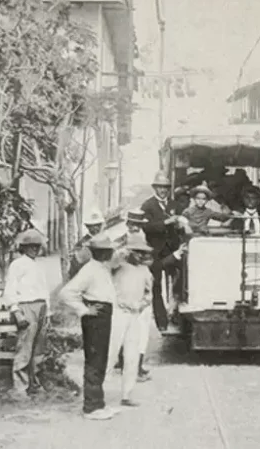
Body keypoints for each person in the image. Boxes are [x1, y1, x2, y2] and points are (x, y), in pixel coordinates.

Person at [56, 234, 119, 420]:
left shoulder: (101, 268)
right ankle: (91, 407)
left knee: (100, 359)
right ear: (99, 253)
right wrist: (84, 310)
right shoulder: (89, 270)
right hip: (95, 317)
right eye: (106, 251)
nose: (110, 253)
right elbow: (66, 292)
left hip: (103, 314)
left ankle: (98, 403)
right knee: (94, 359)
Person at [107, 233, 154, 407]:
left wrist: (141, 304)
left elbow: (149, 294)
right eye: (137, 252)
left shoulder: (144, 271)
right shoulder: (118, 266)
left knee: (132, 355)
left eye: (143, 252)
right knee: (111, 352)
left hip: (134, 314)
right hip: (117, 312)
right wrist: (120, 253)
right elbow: (109, 265)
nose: (140, 255)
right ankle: (100, 392)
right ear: (130, 251)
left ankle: (127, 394)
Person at [4, 228, 51, 396]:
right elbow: (10, 290)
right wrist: (16, 311)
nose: (34, 249)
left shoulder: (38, 266)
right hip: (26, 307)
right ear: (23, 247)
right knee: (25, 347)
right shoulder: (17, 265)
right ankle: (20, 388)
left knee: (38, 350)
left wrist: (47, 313)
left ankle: (35, 384)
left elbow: (44, 291)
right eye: (30, 246)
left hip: (40, 308)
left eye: (37, 246)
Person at [142, 171, 186, 331]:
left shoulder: (175, 205)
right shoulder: (147, 206)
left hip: (173, 251)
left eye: (166, 187)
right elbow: (146, 227)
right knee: (157, 286)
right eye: (160, 187)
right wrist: (166, 222)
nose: (163, 190)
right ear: (155, 188)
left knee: (178, 282)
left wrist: (180, 226)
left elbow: (183, 224)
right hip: (156, 252)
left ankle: (175, 315)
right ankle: (162, 322)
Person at [68, 213, 108, 279]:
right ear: (88, 227)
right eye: (93, 225)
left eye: (98, 225)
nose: (96, 228)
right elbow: (74, 266)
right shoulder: (82, 243)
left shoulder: (105, 240)